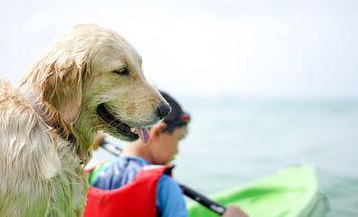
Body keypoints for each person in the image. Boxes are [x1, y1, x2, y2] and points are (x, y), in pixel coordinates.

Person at [87, 91, 248, 217]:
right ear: (159, 131)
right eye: (178, 139)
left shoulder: (90, 174)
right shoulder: (164, 185)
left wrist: (85, 141)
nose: (177, 151)